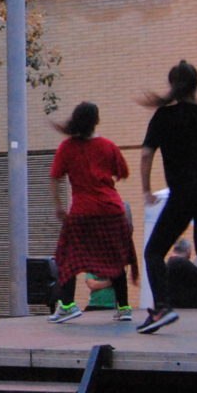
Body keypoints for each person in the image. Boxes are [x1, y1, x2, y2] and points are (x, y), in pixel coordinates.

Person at [136, 61, 197, 334]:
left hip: (184, 191)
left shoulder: (163, 116)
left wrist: (146, 189)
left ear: (172, 86)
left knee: (154, 251)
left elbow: (146, 154)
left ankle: (162, 307)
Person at [47, 100, 138, 326]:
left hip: (83, 211)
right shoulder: (108, 146)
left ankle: (67, 305)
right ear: (97, 121)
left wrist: (59, 206)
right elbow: (123, 172)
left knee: (68, 257)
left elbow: (54, 177)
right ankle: (124, 307)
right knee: (115, 257)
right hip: (112, 210)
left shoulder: (67, 147)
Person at [161, 240, 197, 310]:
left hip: (175, 301)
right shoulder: (182, 262)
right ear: (188, 250)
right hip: (189, 303)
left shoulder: (170, 262)